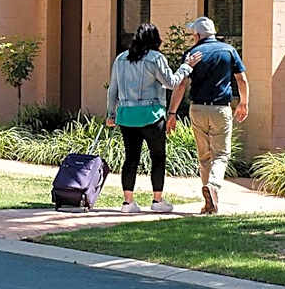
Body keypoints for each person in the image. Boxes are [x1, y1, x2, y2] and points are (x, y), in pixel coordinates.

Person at [106, 23, 202, 213]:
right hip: (152, 115)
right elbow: (171, 82)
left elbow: (113, 90)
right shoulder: (156, 58)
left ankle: (128, 202)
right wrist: (186, 66)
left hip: (126, 116)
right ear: (155, 39)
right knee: (158, 157)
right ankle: (157, 201)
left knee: (130, 158)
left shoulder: (121, 59)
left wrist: (111, 114)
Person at [166, 16, 248, 214]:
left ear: (198, 34)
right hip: (220, 108)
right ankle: (213, 186)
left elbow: (181, 85)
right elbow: (241, 79)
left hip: (198, 108)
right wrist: (244, 102)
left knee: (204, 156)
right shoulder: (229, 51)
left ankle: (208, 203)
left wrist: (172, 113)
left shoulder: (192, 53)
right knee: (221, 154)